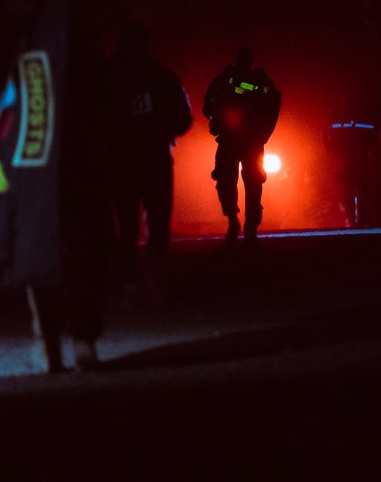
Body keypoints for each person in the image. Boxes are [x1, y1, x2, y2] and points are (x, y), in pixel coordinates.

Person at [101, 21, 192, 308]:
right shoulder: (159, 77)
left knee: (134, 225)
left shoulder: (106, 78)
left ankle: (134, 283)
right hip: (146, 159)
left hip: (127, 160)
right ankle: (142, 282)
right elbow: (183, 118)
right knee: (149, 222)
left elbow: (182, 117)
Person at [203, 47, 281, 247]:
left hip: (251, 141)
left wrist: (264, 133)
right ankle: (236, 222)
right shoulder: (225, 80)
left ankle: (248, 227)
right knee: (226, 180)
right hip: (233, 140)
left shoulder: (258, 82)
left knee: (252, 184)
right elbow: (208, 104)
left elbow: (274, 104)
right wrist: (216, 121)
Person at [322, 93, 378, 227]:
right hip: (348, 157)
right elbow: (325, 131)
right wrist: (330, 148)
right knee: (351, 190)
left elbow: (373, 134)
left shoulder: (359, 117)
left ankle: (359, 220)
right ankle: (354, 220)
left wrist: (329, 148)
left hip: (356, 157)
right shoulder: (343, 117)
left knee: (358, 190)